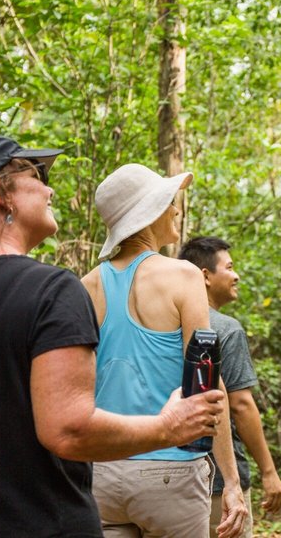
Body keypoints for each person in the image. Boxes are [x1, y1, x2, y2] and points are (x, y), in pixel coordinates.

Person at [0, 133, 225, 538]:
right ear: (0, 194)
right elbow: (69, 429)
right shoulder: (50, 292)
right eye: (36, 173)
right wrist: (170, 427)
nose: (49, 188)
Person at [81, 165, 248, 538]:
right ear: (149, 214)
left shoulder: (86, 285)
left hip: (103, 473)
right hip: (170, 469)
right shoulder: (183, 275)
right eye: (169, 202)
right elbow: (205, 381)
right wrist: (232, 483)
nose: (176, 209)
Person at [178, 237, 281, 537]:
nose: (236, 275)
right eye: (229, 267)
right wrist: (268, 471)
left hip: (170, 479)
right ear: (205, 276)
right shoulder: (225, 328)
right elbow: (240, 404)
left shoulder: (165, 319)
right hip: (218, 483)